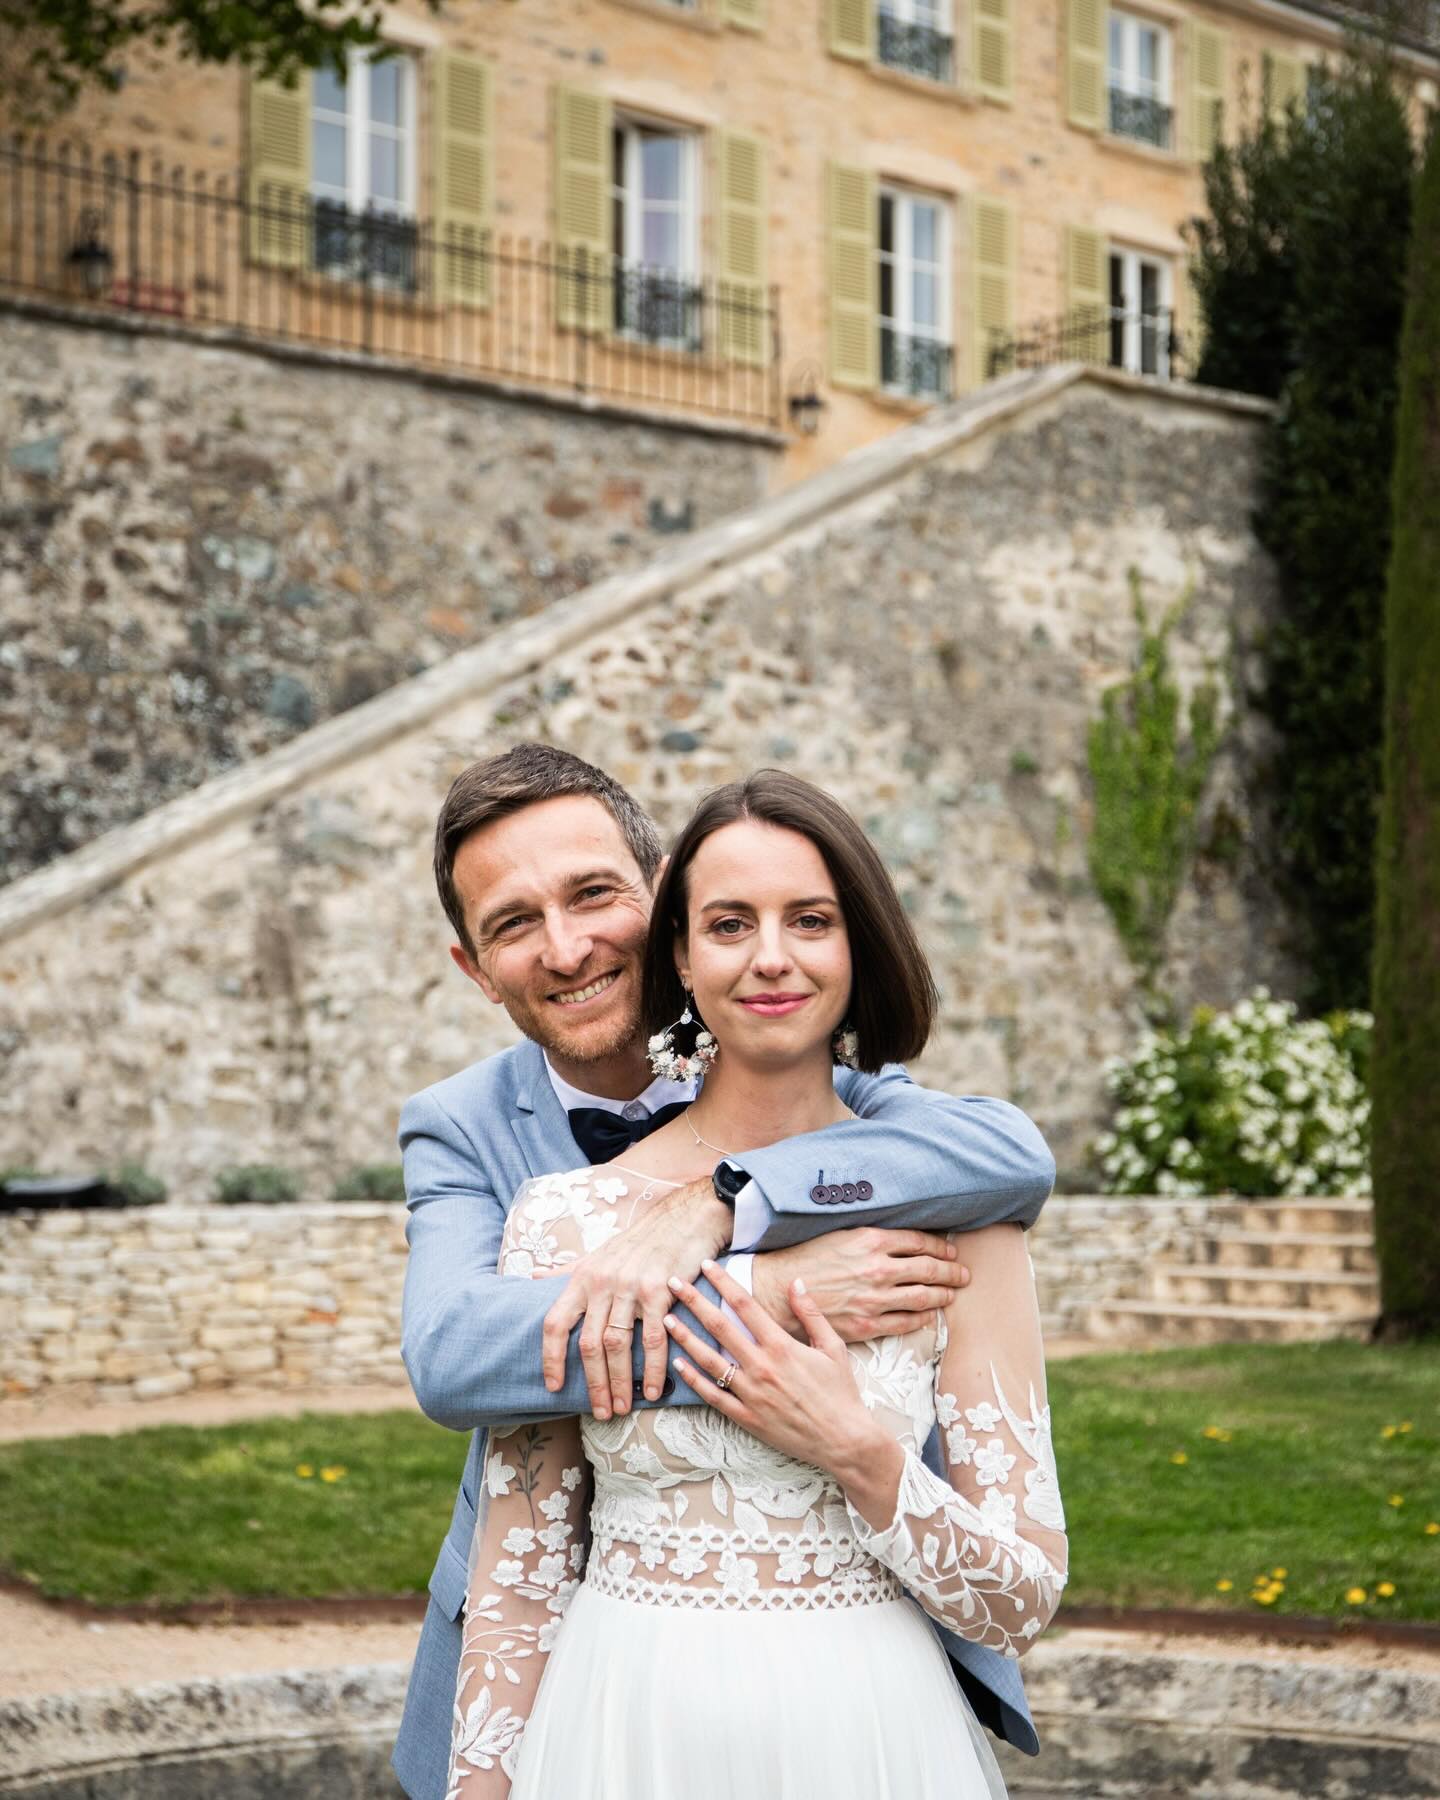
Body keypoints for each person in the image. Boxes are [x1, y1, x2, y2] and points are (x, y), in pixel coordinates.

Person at [394, 746, 1057, 1800]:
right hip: (617, 1718)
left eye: (592, 895)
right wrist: (761, 1306)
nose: (567, 947)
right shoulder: (506, 1172)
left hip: (871, 1723)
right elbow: (453, 1362)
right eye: (516, 923)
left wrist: (726, 1203)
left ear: (654, 903)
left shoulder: (922, 1171)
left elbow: (1018, 1158)